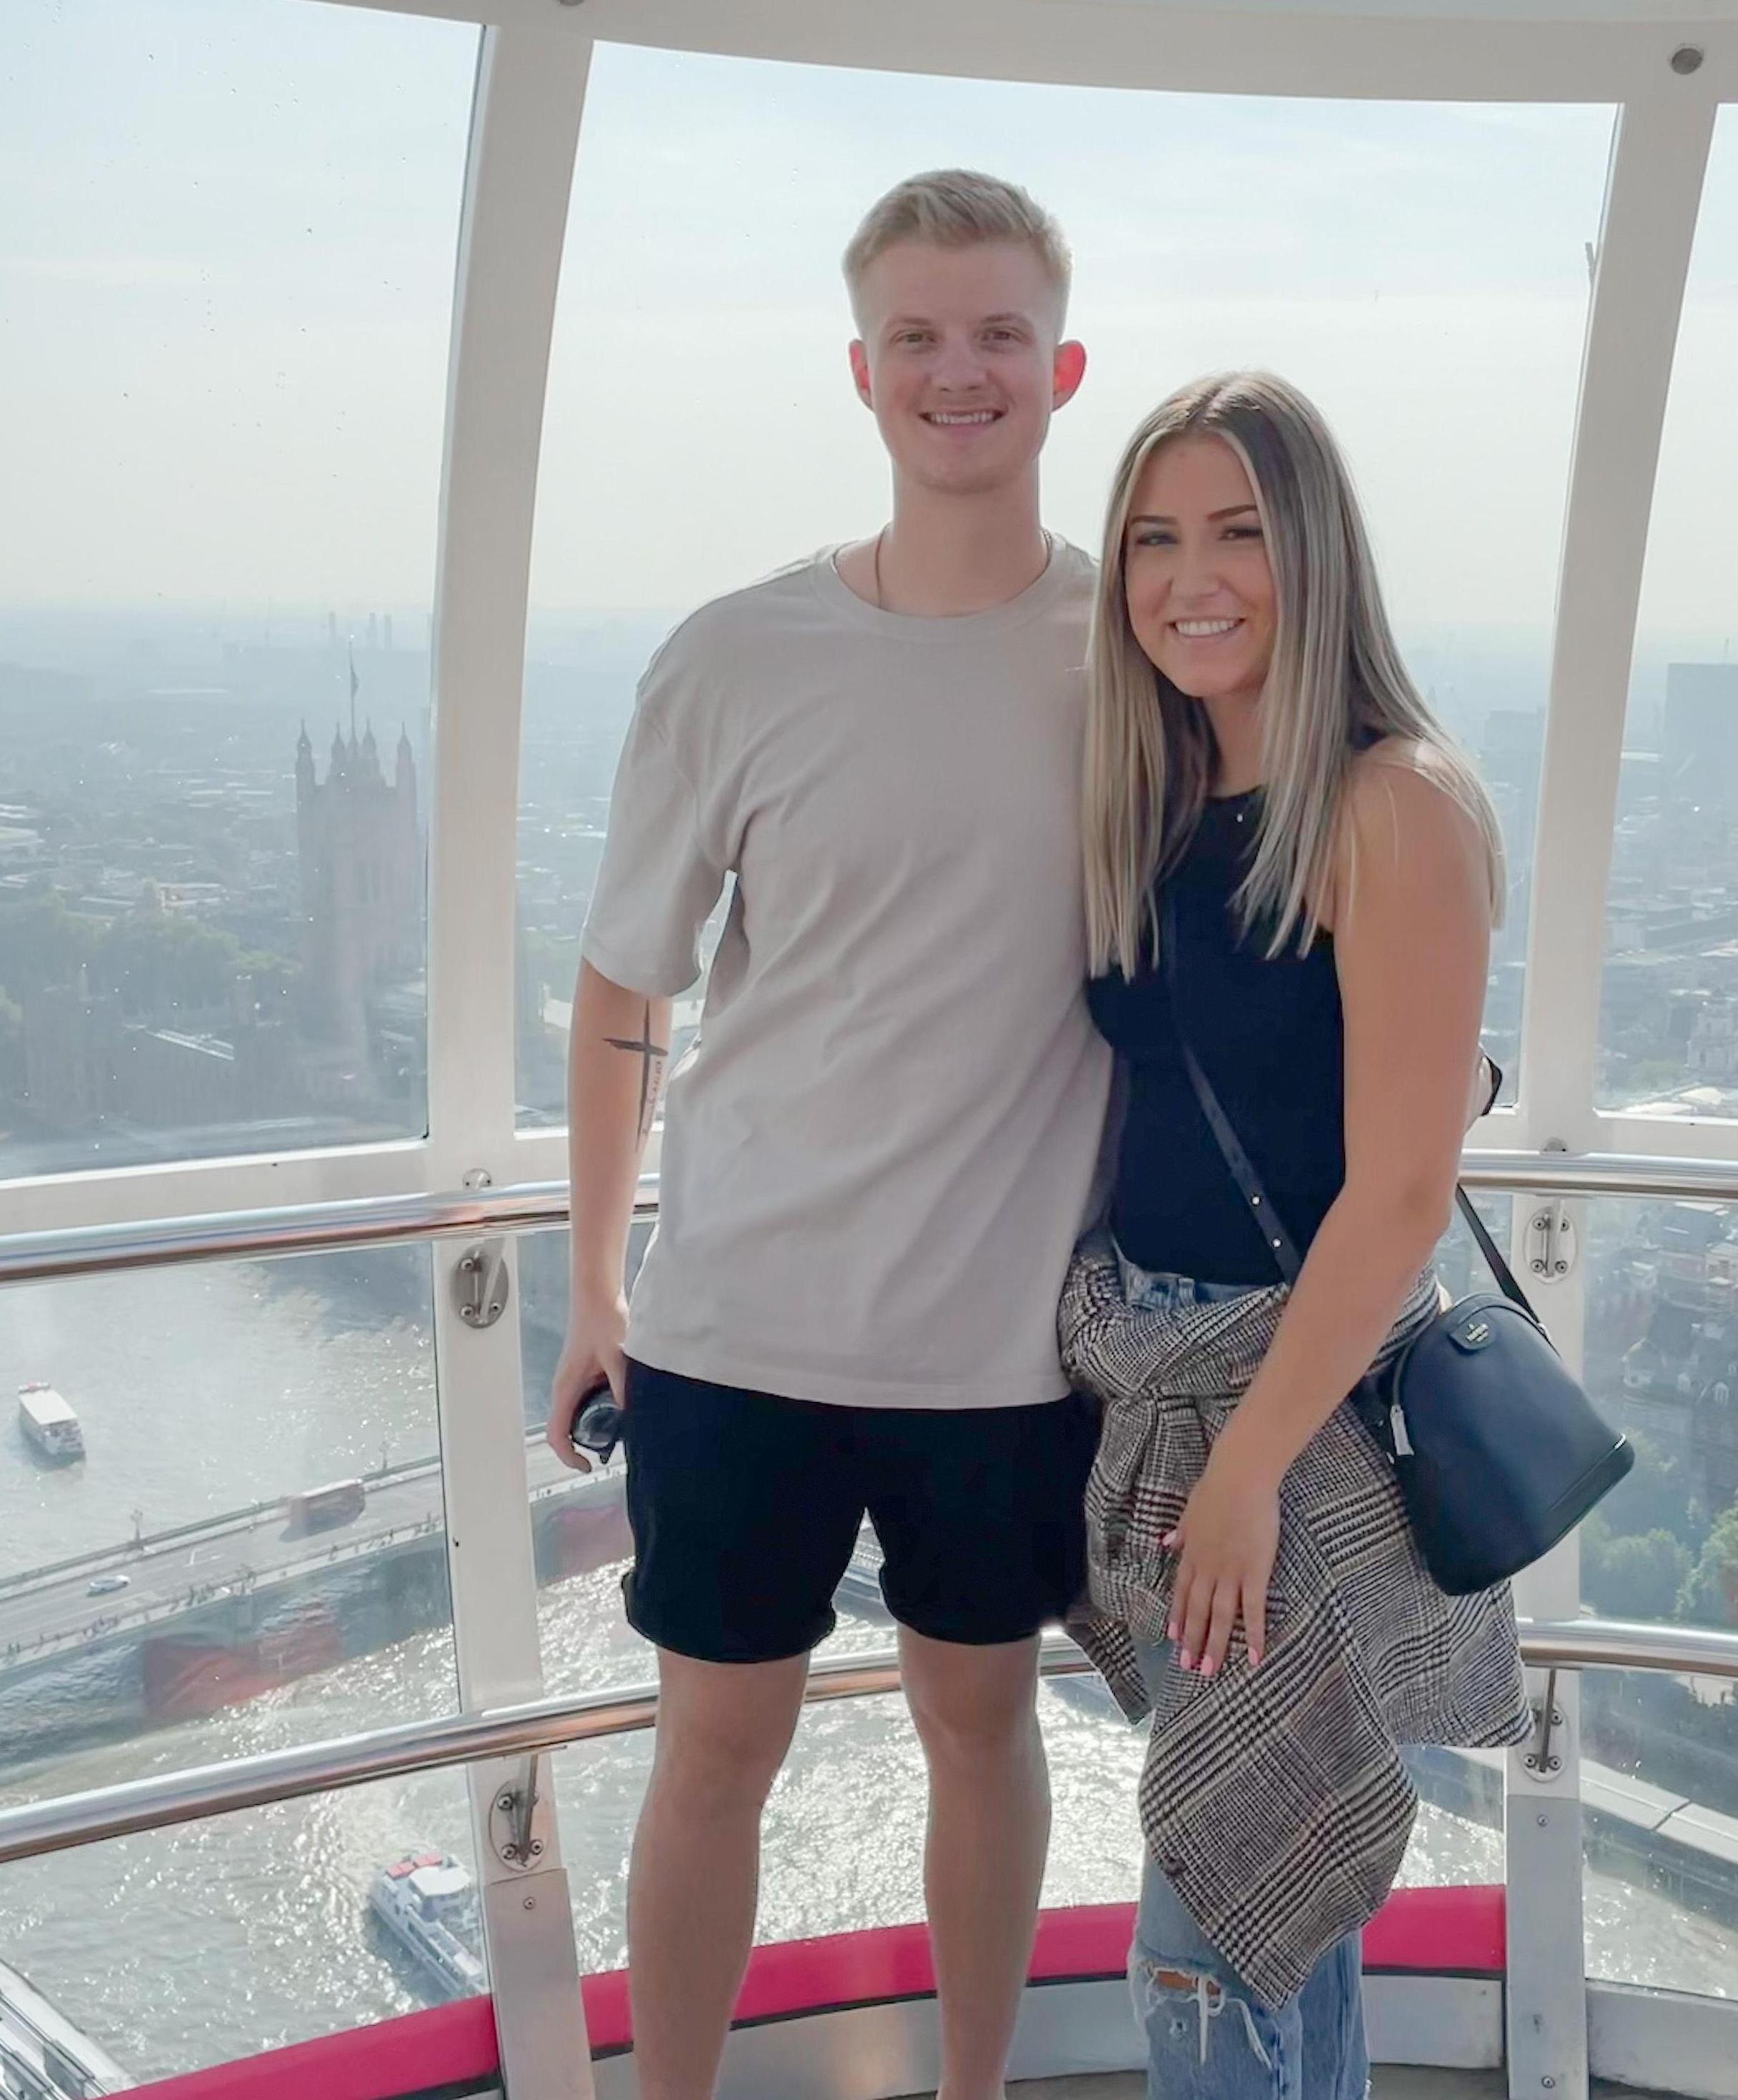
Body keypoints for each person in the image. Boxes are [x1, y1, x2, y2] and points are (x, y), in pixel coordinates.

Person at [547, 171, 1112, 2100]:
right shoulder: (732, 657)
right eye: (921, 337)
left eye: (999, 335)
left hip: (1000, 1340)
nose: (960, 372)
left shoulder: (1143, 662)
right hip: (732, 1328)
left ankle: (974, 2090)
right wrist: (594, 1283)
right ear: (860, 370)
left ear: (1064, 367)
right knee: (711, 1752)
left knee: (983, 1719)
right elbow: (624, 984)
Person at [1064, 371, 1532, 2098]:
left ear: (1317, 551)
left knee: (1204, 1937)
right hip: (1172, 1387)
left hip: (1290, 1422)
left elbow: (1402, 1190)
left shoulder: (1391, 804)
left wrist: (1249, 1471)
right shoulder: (1164, 792)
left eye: (1242, 533)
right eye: (1156, 538)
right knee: (1285, 1920)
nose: (1195, 577)